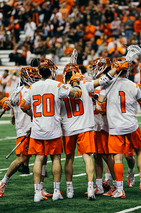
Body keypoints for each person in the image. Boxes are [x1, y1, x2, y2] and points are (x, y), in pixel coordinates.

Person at [96, 58, 141, 198]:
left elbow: (98, 106)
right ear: (127, 71)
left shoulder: (107, 86)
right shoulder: (133, 85)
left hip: (115, 127)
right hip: (131, 125)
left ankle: (119, 189)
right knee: (140, 151)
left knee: (118, 158)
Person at [19, 59, 83, 202]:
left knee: (38, 159)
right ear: (52, 71)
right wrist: (75, 81)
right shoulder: (58, 85)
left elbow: (23, 105)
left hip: (37, 128)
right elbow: (77, 94)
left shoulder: (33, 87)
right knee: (55, 158)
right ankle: (56, 191)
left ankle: (37, 193)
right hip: (53, 127)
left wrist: (34, 115)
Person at [60, 57, 120, 199]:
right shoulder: (85, 85)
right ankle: (91, 188)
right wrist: (116, 68)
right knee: (88, 158)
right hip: (85, 127)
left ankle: (69, 189)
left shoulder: (60, 89)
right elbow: (105, 80)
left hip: (68, 129)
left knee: (69, 159)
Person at [0, 67, 52, 199]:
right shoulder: (19, 91)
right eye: (33, 75)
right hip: (24, 129)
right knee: (22, 159)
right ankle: (4, 181)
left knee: (43, 157)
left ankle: (40, 188)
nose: (36, 77)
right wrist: (5, 103)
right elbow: (10, 103)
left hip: (38, 128)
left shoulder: (37, 88)